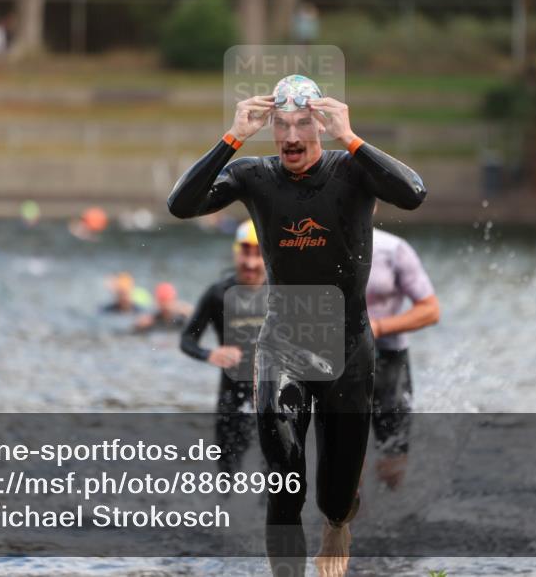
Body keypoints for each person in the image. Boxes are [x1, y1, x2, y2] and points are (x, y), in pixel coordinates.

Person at [167, 74, 426, 577]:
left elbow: (413, 193)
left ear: (322, 127)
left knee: (334, 497)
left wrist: (352, 137)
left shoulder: (352, 169)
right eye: (281, 126)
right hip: (282, 345)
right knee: (285, 485)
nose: (290, 137)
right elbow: (181, 205)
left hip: (350, 351)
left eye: (303, 125)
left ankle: (336, 524)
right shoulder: (253, 174)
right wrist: (232, 137)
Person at [180, 219, 267, 475]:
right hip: (231, 397)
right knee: (228, 474)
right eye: (245, 252)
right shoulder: (218, 294)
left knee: (275, 476)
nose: (250, 263)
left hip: (273, 398)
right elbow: (187, 340)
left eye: (258, 254)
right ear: (236, 252)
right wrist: (210, 354)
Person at [366, 221, 440, 490]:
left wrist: (378, 327)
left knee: (392, 467)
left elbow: (430, 310)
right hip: (338, 359)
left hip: (388, 358)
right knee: (347, 462)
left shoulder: (393, 249)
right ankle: (345, 525)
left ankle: (392, 520)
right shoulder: (319, 245)